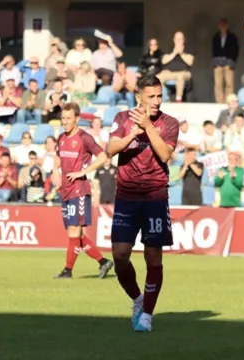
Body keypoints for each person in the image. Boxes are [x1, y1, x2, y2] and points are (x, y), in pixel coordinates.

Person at [105, 75, 179, 332]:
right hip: (126, 196)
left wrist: (148, 126)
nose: (157, 101)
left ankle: (147, 314)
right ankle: (138, 299)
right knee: (120, 255)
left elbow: (166, 154)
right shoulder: (122, 119)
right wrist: (133, 134)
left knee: (153, 258)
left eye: (160, 96)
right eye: (151, 96)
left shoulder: (170, 123)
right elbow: (111, 148)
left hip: (155, 197)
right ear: (139, 97)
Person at [50, 102, 114, 279]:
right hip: (66, 190)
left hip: (79, 190)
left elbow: (102, 156)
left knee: (74, 232)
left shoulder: (85, 138)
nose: (65, 121)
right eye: (63, 118)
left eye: (68, 118)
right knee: (74, 234)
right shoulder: (61, 138)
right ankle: (103, 262)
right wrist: (55, 173)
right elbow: (57, 157)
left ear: (77, 119)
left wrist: (83, 171)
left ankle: (68, 270)